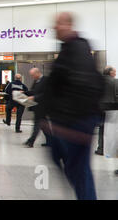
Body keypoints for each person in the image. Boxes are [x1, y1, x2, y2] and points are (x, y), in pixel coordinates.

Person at [44, 12, 104, 200]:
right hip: (74, 120)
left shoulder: (76, 49)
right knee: (73, 165)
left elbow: (83, 84)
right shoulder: (72, 49)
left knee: (77, 168)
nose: (54, 27)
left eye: (58, 24)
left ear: (68, 25)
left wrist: (67, 119)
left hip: (74, 123)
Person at [24, 68, 51, 148]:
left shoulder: (46, 80)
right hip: (37, 106)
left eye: (33, 75)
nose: (32, 77)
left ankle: (31, 141)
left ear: (37, 73)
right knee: (44, 126)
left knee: (37, 124)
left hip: (43, 107)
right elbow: (33, 91)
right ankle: (50, 141)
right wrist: (24, 93)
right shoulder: (36, 81)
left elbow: (46, 94)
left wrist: (34, 97)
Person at [95, 66, 117, 156]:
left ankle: (100, 149)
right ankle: (111, 150)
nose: (115, 74)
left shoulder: (98, 82)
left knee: (101, 128)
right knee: (112, 130)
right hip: (112, 108)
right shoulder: (115, 81)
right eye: (114, 72)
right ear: (110, 72)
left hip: (100, 108)